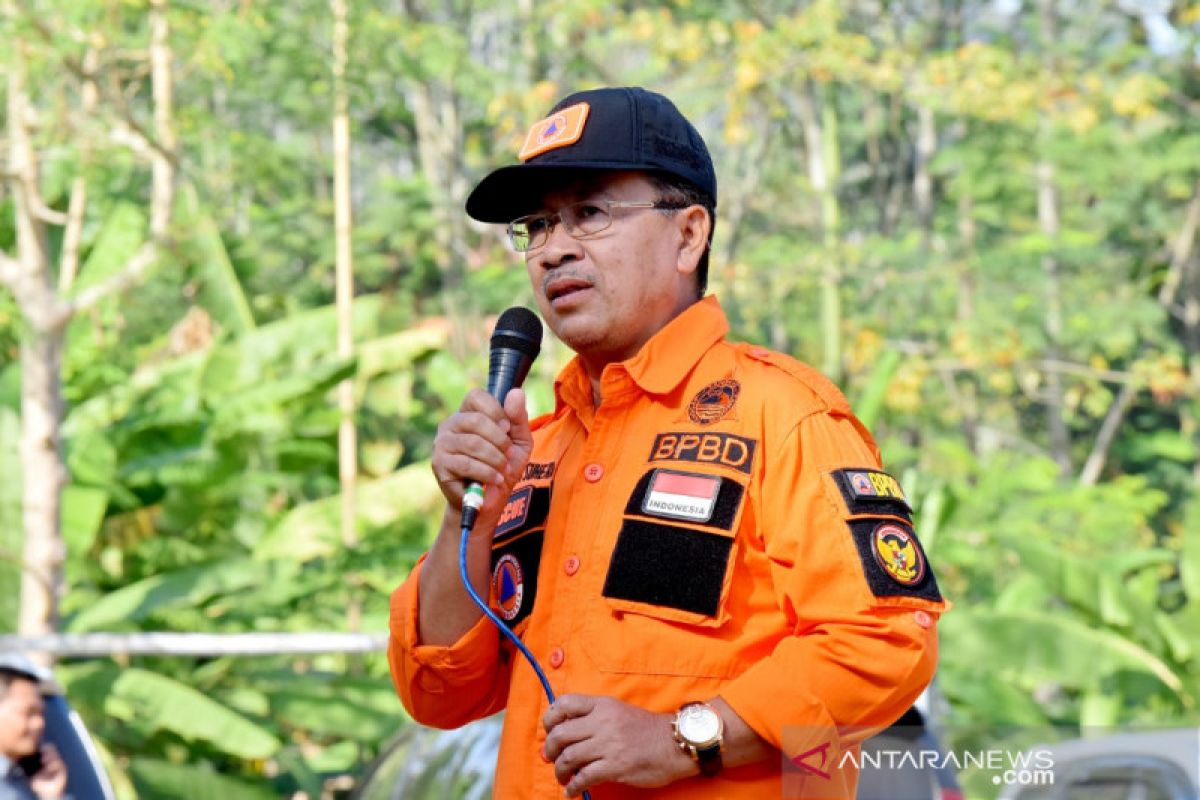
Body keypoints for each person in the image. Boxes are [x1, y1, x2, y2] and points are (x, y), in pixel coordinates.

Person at [388, 86, 948, 799]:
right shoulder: (532, 451)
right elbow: (438, 693)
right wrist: (461, 516)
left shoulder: (786, 416)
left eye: (589, 214)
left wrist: (689, 737)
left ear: (689, 235)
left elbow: (885, 643)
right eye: (537, 225)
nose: (554, 248)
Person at [0, 656, 67, 800]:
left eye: (41, 713)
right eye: (29, 713)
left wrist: (52, 795)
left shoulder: (21, 782)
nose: (40, 723)